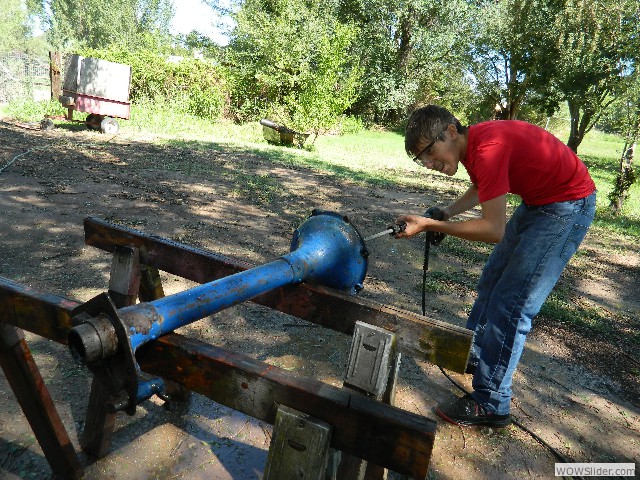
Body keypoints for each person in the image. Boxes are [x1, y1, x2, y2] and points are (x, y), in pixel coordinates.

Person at [394, 105, 596, 428]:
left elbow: (493, 229)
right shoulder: (473, 147)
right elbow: (482, 187)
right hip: (540, 201)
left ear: (450, 132)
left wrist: (431, 225)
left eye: (430, 152)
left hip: (568, 204)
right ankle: (477, 355)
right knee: (491, 281)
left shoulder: (487, 149)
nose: (430, 164)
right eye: (423, 159)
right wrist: (445, 212)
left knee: (512, 302)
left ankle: (492, 401)